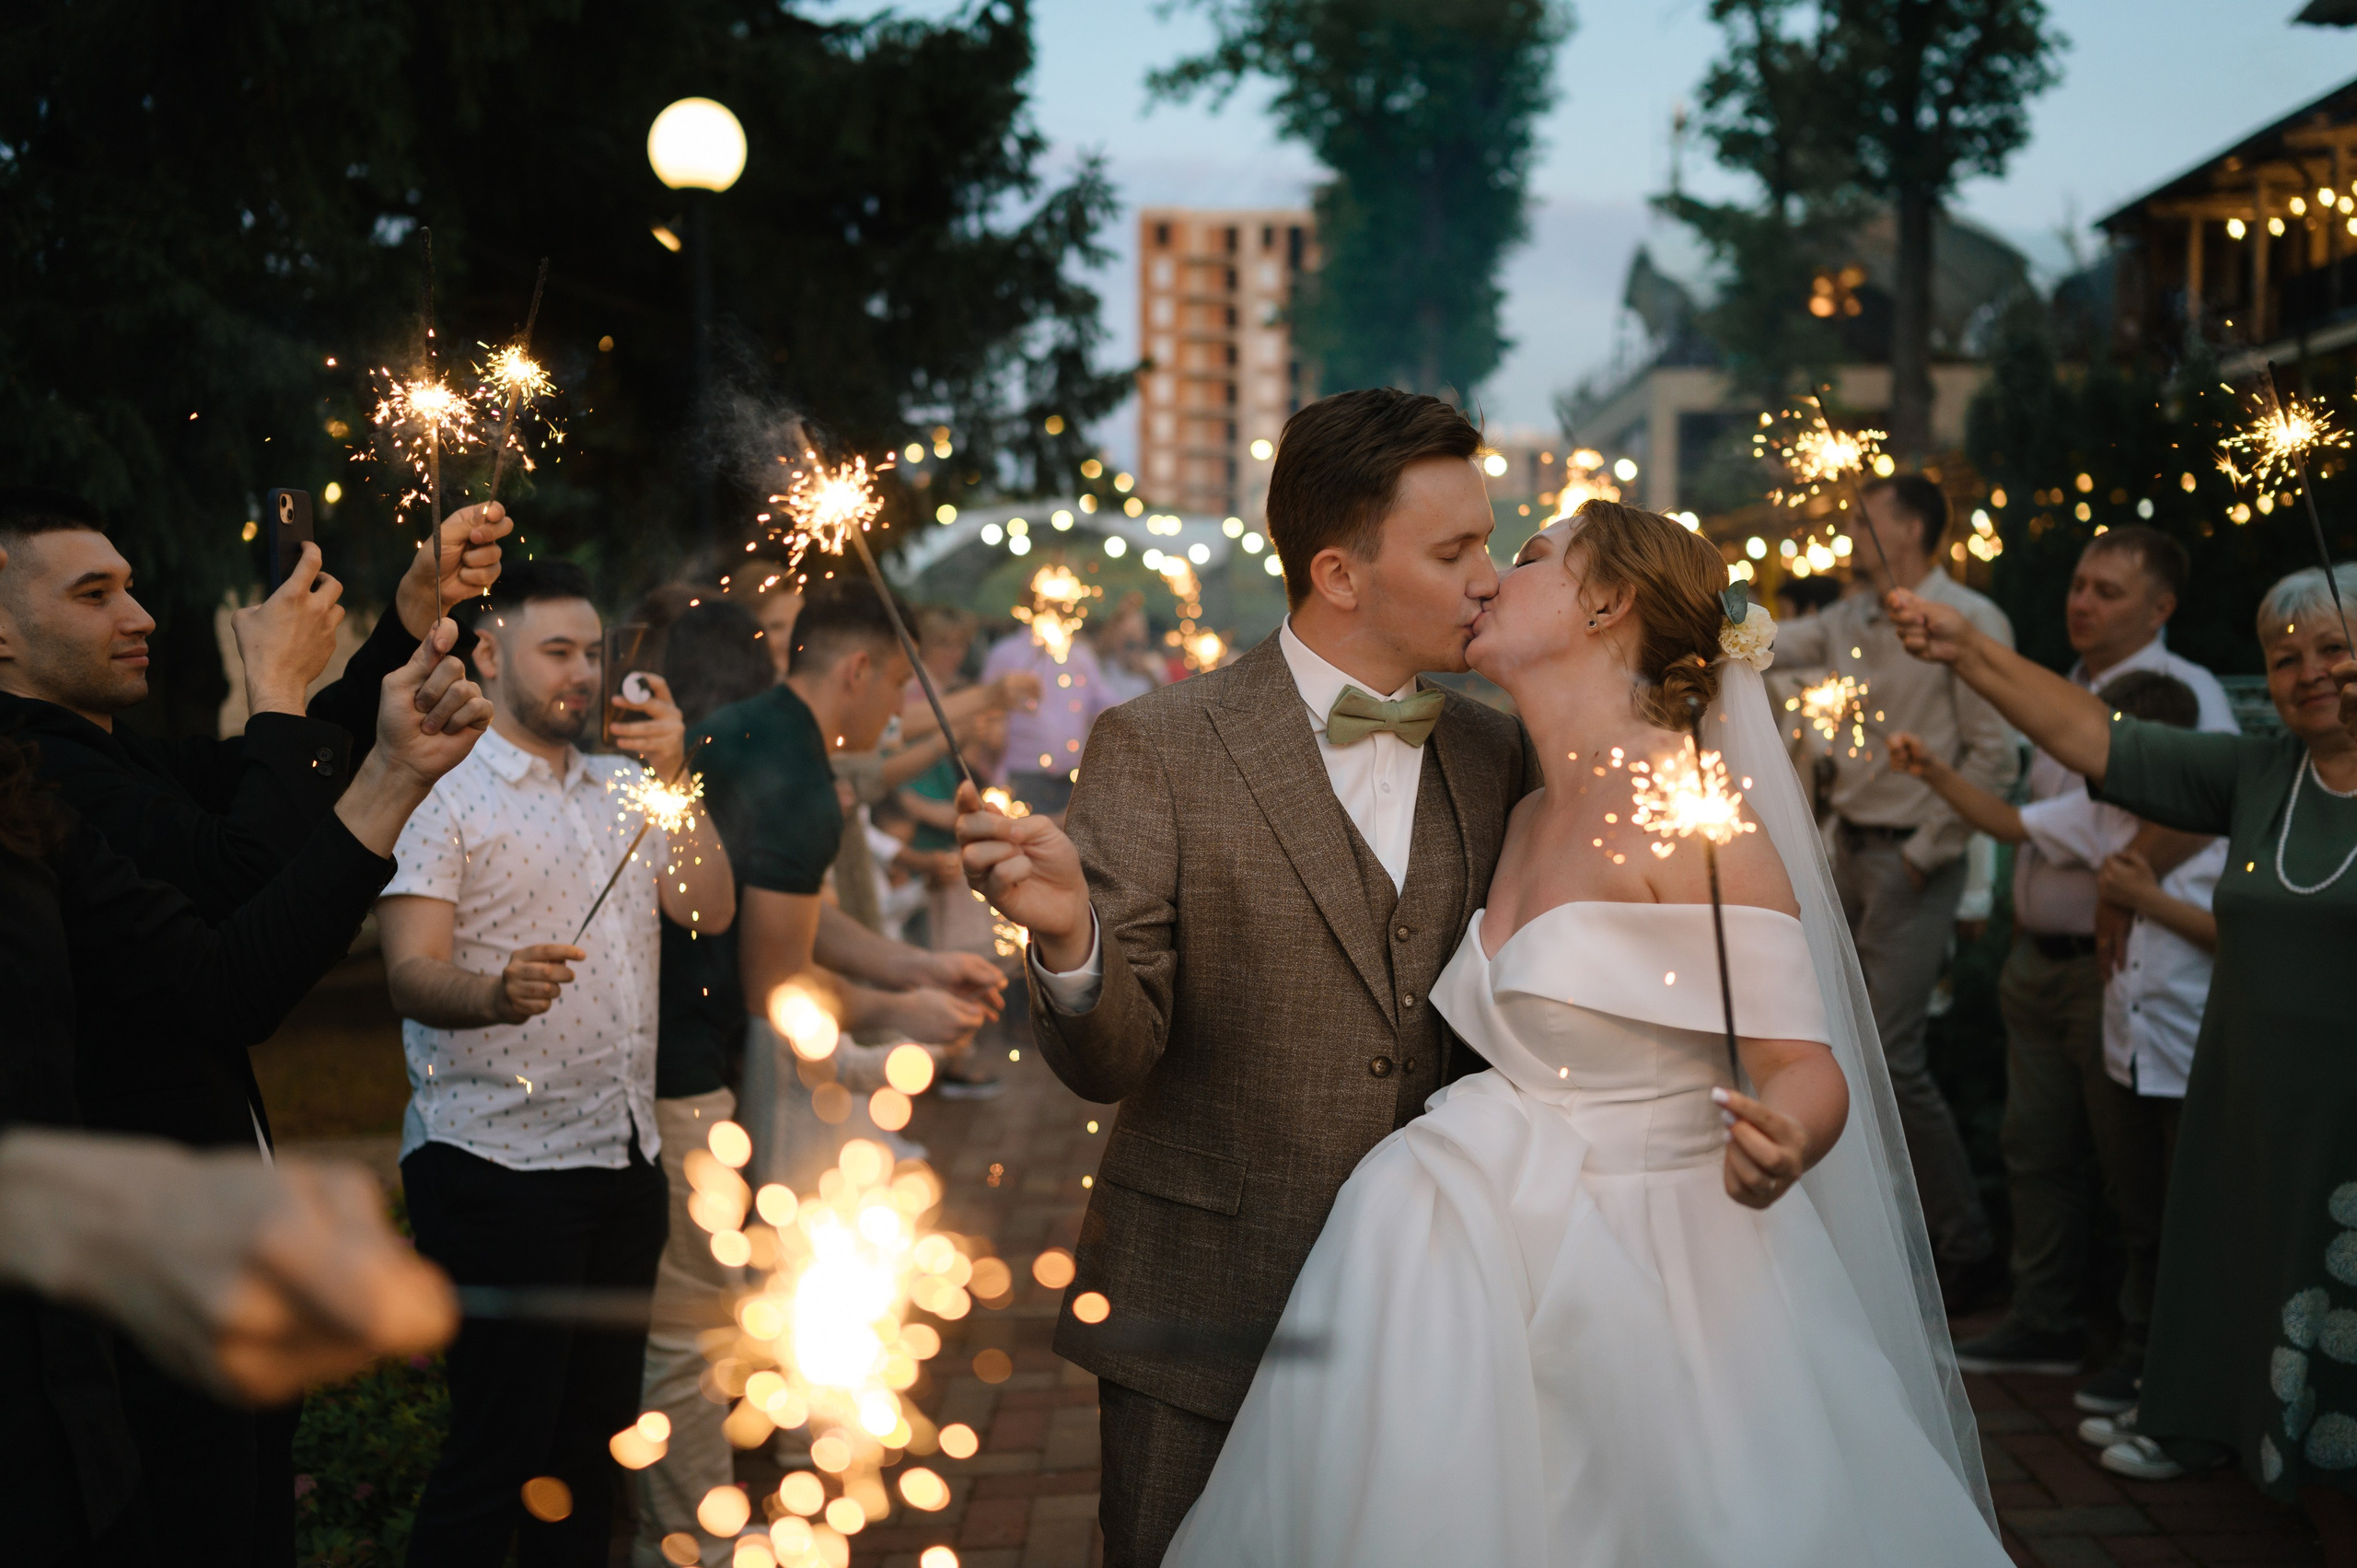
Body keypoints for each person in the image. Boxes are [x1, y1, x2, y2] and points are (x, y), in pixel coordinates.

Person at [1181, 501, 1999, 1564]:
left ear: (1607, 601)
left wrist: (1786, 1141)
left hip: (1660, 1278)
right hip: (1471, 1252)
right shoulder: (1517, 811)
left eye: (1524, 559)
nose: (1485, 581)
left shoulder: (1694, 811)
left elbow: (1803, 1065)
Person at [956, 388, 1544, 1565]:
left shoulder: (1497, 747)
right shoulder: (1158, 743)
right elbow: (1111, 1056)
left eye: (1488, 539)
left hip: (1444, 1316)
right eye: (1454, 548)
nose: (1490, 574)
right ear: (1338, 572)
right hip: (1206, 1315)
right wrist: (1073, 943)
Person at [0, 590, 493, 1563]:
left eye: (135, 584)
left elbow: (281, 779)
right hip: (108, 1321)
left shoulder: (63, 767)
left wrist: (404, 626)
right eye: (94, 593)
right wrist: (278, 685)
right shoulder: (49, 783)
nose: (143, 610)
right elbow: (241, 891)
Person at [1891, 565, 2357, 1562]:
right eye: (2286, 657)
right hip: (2257, 1118)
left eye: (2335, 648)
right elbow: (2098, 739)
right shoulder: (2261, 774)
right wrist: (1963, 648)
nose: (2310, 672)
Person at [377, 561, 736, 1568]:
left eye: (594, 652)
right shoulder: (440, 789)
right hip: (493, 1165)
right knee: (497, 1450)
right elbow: (408, 973)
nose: (584, 673)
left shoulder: (626, 786)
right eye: (558, 651)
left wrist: (675, 776)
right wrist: (494, 993)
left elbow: (708, 907)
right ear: (488, 653)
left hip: (623, 1161)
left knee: (588, 1454)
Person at [1929, 527, 2235, 1401]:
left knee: (2131, 1166)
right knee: (2037, 1149)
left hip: (2121, 968)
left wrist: (2124, 890)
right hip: (2042, 958)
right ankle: (2046, 1317)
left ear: (2161, 607)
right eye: (2078, 583)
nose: (2081, 601)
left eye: (2105, 589)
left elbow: (2202, 810)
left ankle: (2148, 1342)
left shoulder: (2184, 693)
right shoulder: (2068, 686)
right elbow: (2040, 820)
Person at [1769, 473, 2016, 1304]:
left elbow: (1997, 756)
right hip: (1848, 853)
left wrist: (1929, 848)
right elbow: (1768, 645)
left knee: (1893, 1061)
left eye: (1866, 519)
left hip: (1914, 860)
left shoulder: (1970, 622)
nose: (1850, 530)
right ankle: (1870, 1235)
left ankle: (1965, 1247)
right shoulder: (1848, 618)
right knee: (1834, 1045)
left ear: (1910, 531)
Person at [982, 589, 1117, 818]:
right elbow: (986, 711)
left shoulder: (1081, 654)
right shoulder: (1006, 653)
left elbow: (1105, 705)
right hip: (1023, 776)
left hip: (1073, 777)